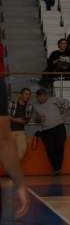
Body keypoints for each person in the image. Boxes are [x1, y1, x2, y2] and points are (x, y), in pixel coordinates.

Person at [0, 74, 30, 218]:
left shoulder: (28, 107)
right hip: (11, 130)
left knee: (21, 150)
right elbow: (4, 140)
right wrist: (20, 184)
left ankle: (10, 174)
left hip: (19, 131)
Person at [32, 89, 68, 175]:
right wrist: (39, 119)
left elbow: (66, 102)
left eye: (43, 96)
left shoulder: (54, 100)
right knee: (50, 150)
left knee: (60, 147)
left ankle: (58, 167)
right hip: (46, 130)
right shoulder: (35, 106)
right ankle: (56, 169)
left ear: (46, 96)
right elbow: (35, 119)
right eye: (39, 97)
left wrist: (64, 111)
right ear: (37, 97)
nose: (41, 98)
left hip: (59, 127)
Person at [8, 88, 32, 159]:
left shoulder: (29, 106)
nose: (28, 96)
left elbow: (27, 120)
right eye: (26, 94)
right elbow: (6, 116)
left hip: (21, 131)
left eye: (29, 95)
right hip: (9, 131)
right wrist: (16, 120)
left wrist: (25, 121)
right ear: (21, 94)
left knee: (22, 150)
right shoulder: (12, 103)